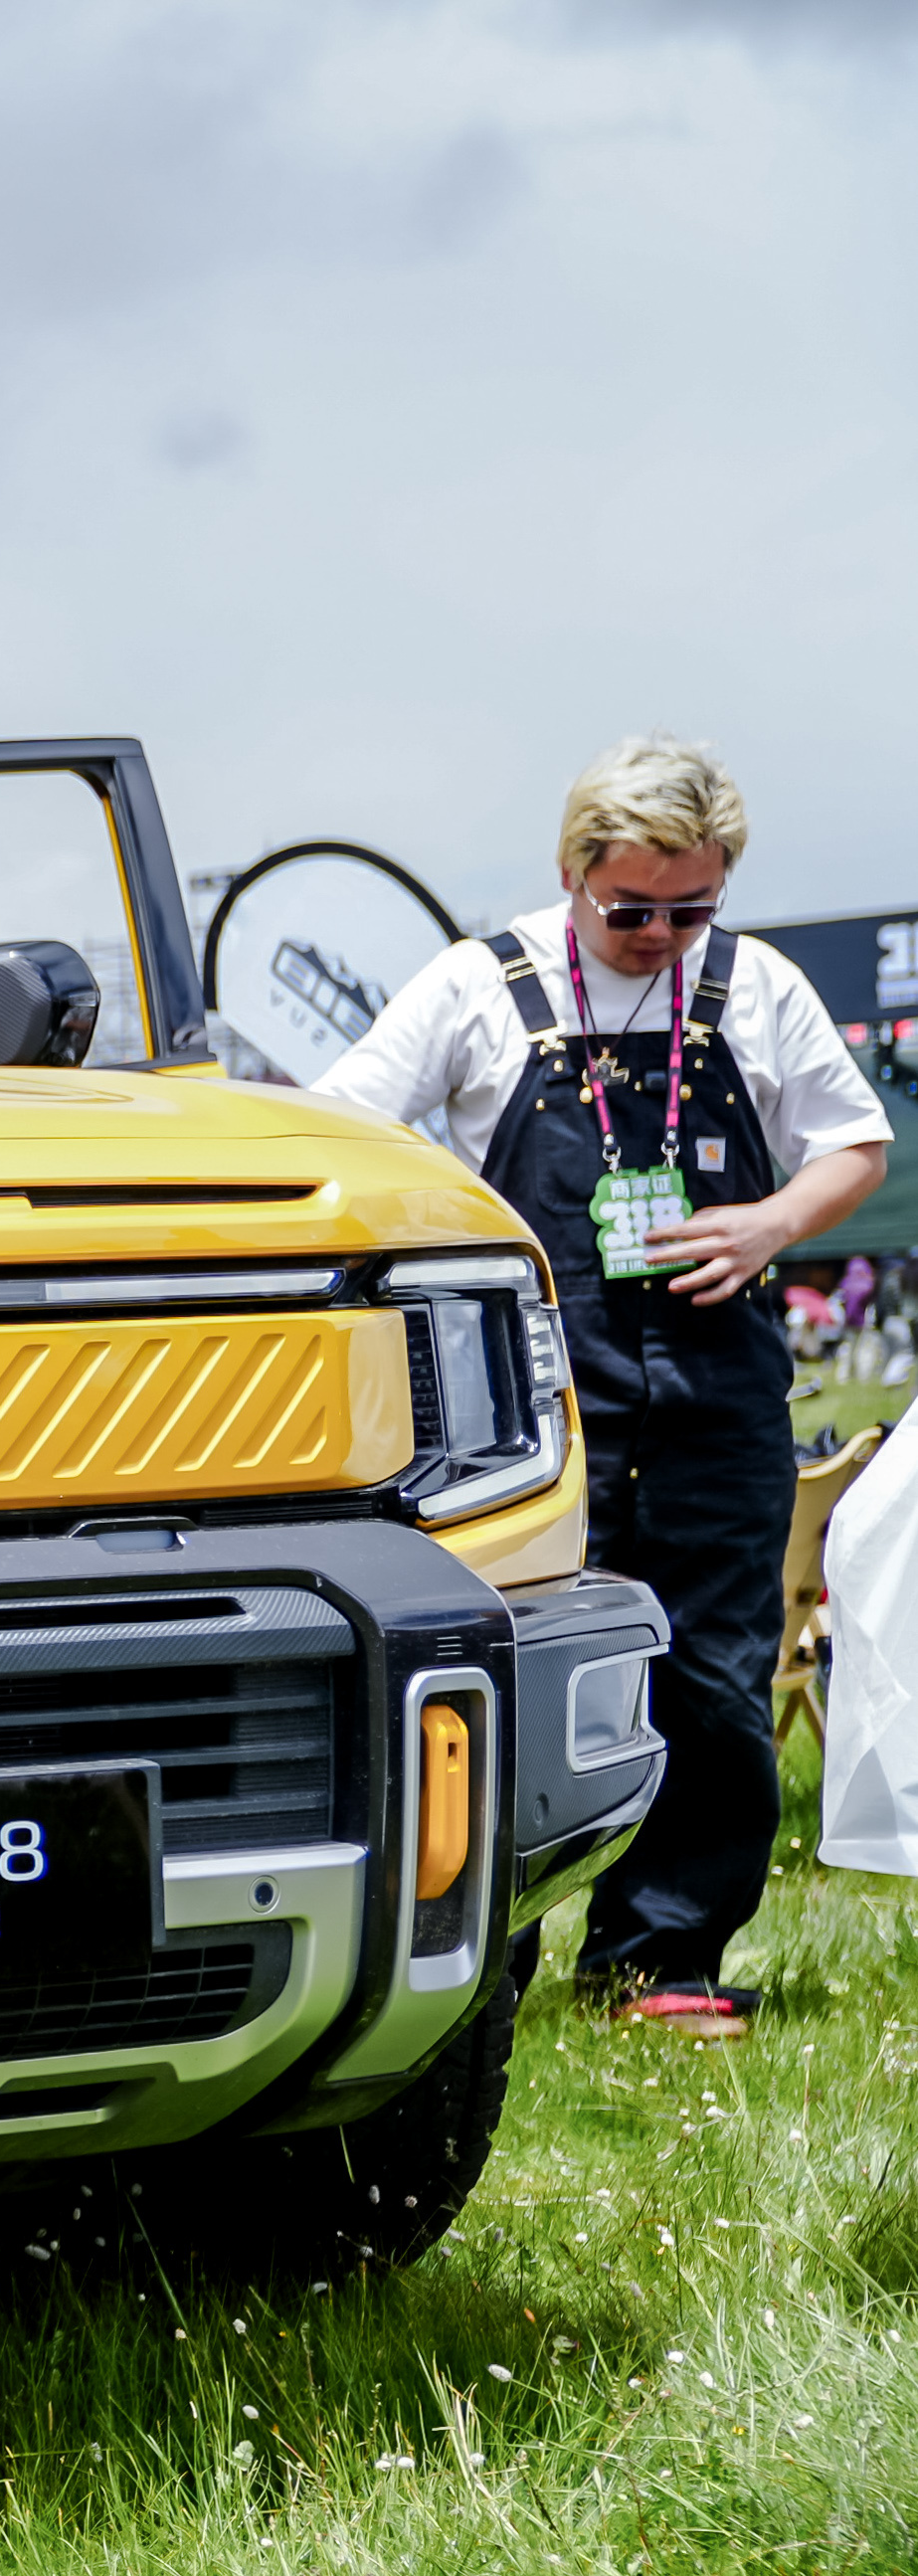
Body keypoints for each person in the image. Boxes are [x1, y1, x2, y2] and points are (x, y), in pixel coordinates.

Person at [316, 736, 891, 2039]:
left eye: (691, 909)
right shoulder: (479, 985)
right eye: (629, 910)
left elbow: (853, 1143)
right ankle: (475, 1966)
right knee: (500, 1673)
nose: (659, 936)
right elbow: (343, 1121)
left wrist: (764, 1225)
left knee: (716, 1676)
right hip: (526, 1406)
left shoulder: (756, 989)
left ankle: (659, 1960)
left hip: (715, 1393)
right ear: (571, 875)